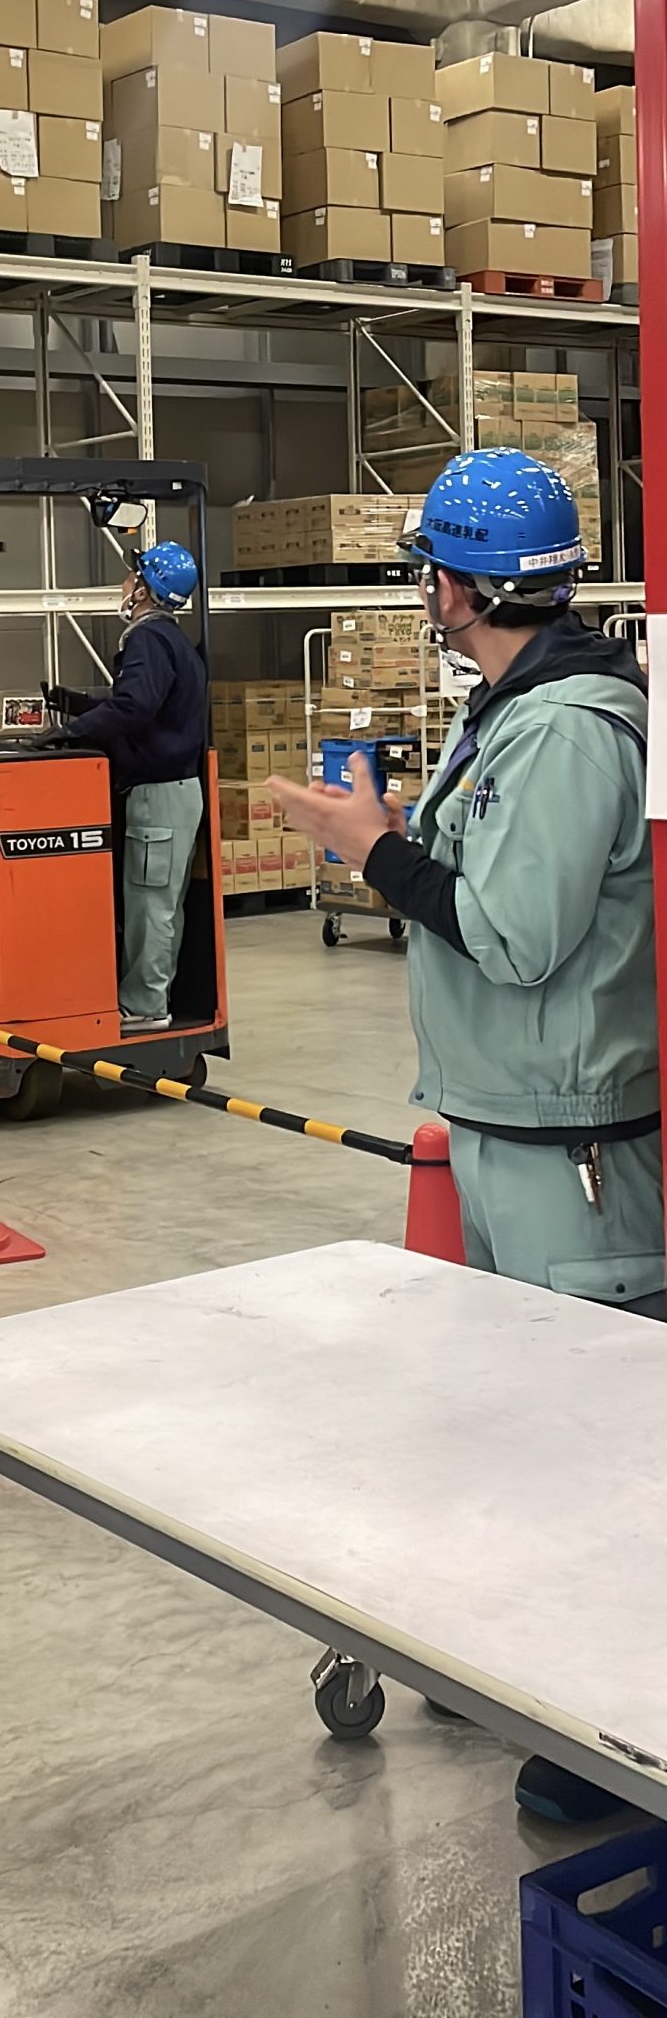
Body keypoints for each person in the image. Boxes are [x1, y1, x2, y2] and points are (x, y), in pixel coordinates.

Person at [269, 448, 662, 1825]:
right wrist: (380, 835)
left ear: (461, 586)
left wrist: (373, 848)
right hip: (511, 1123)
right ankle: (538, 1671)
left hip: (573, 1144)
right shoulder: (512, 710)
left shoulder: (564, 729)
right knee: (526, 1428)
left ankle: (616, 1736)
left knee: (599, 1447)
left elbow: (516, 933)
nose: (422, 594)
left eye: (429, 571)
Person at [43, 539, 208, 1033]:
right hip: (176, 792)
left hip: (158, 795)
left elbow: (135, 708)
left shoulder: (147, 640)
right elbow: (144, 701)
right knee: (162, 905)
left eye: (132, 576)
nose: (124, 583)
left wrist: (72, 732)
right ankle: (152, 998)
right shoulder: (171, 640)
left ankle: (144, 1006)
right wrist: (77, 704)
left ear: (144, 589)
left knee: (149, 906)